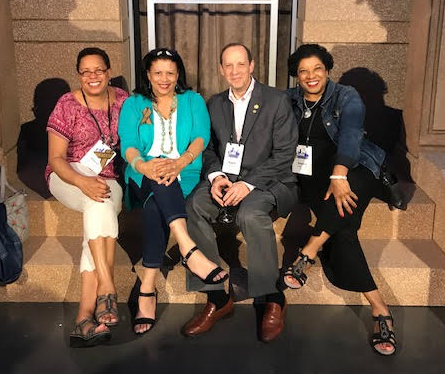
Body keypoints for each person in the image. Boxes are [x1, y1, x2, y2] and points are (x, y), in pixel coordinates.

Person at [283, 44, 397, 355]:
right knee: (343, 229)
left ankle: (308, 251)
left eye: (317, 69)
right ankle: (381, 310)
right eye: (303, 71)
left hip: (356, 167)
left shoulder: (346, 96)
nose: (311, 76)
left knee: (348, 196)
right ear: (296, 75)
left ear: (328, 70)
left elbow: (350, 134)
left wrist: (339, 174)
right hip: (311, 176)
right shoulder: (288, 100)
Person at [182, 43, 298, 342]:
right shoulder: (214, 103)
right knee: (194, 204)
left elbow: (285, 154)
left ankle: (272, 297)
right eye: (228, 66)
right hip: (227, 179)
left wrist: (247, 184)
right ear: (221, 69)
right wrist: (217, 176)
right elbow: (207, 148)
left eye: (240, 64)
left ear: (252, 65)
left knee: (250, 213)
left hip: (270, 181)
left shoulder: (276, 100)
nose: (234, 71)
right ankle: (217, 299)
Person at [118, 48, 228, 335]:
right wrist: (145, 166)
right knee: (159, 179)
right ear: (147, 75)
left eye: (170, 72)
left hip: (186, 172)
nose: (164, 79)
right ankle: (188, 249)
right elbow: (128, 143)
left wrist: (179, 163)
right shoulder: (133, 104)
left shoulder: (192, 101)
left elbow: (201, 137)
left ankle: (147, 287)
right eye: (157, 73)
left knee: (157, 202)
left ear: (178, 74)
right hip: (142, 173)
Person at [46, 47, 128, 347]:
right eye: (85, 71)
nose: (92, 76)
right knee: (98, 202)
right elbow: (55, 158)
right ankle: (107, 288)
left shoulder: (123, 100)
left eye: (99, 70)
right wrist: (81, 181)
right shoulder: (66, 104)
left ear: (108, 72)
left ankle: (84, 319)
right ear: (78, 75)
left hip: (107, 177)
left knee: (99, 207)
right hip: (68, 174)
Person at [17, 78, 71, 198]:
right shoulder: (72, 128)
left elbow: (22, 170)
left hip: (35, 186)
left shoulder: (26, 129)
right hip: (63, 186)